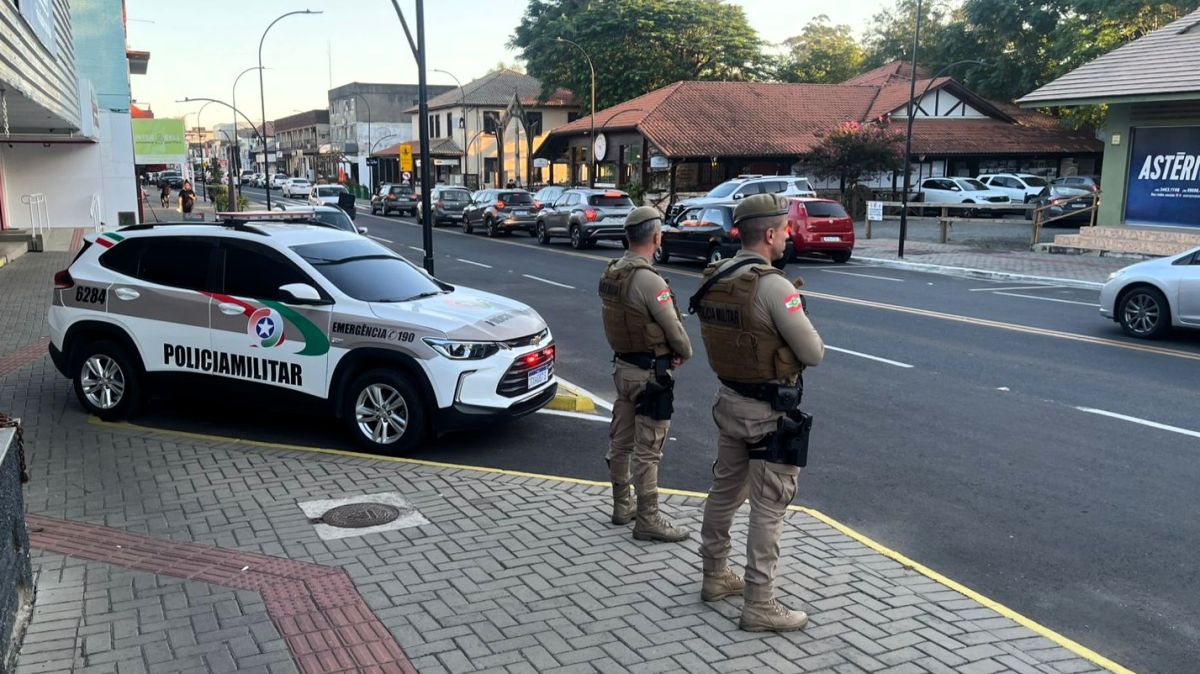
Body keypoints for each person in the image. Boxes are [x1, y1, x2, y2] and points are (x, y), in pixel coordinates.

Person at [691, 193, 825, 632]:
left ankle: (714, 576)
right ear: (769, 234)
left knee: (725, 492)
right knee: (769, 507)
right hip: (768, 412)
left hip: (729, 403)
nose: (788, 236)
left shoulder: (717, 277)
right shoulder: (773, 286)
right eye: (785, 229)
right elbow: (813, 352)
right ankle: (760, 603)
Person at [597, 206, 693, 542]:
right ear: (655, 237)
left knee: (620, 441)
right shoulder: (649, 279)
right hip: (650, 375)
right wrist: (683, 352)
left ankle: (622, 505)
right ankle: (648, 519)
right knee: (649, 448)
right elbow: (675, 330)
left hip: (622, 368)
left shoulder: (614, 273)